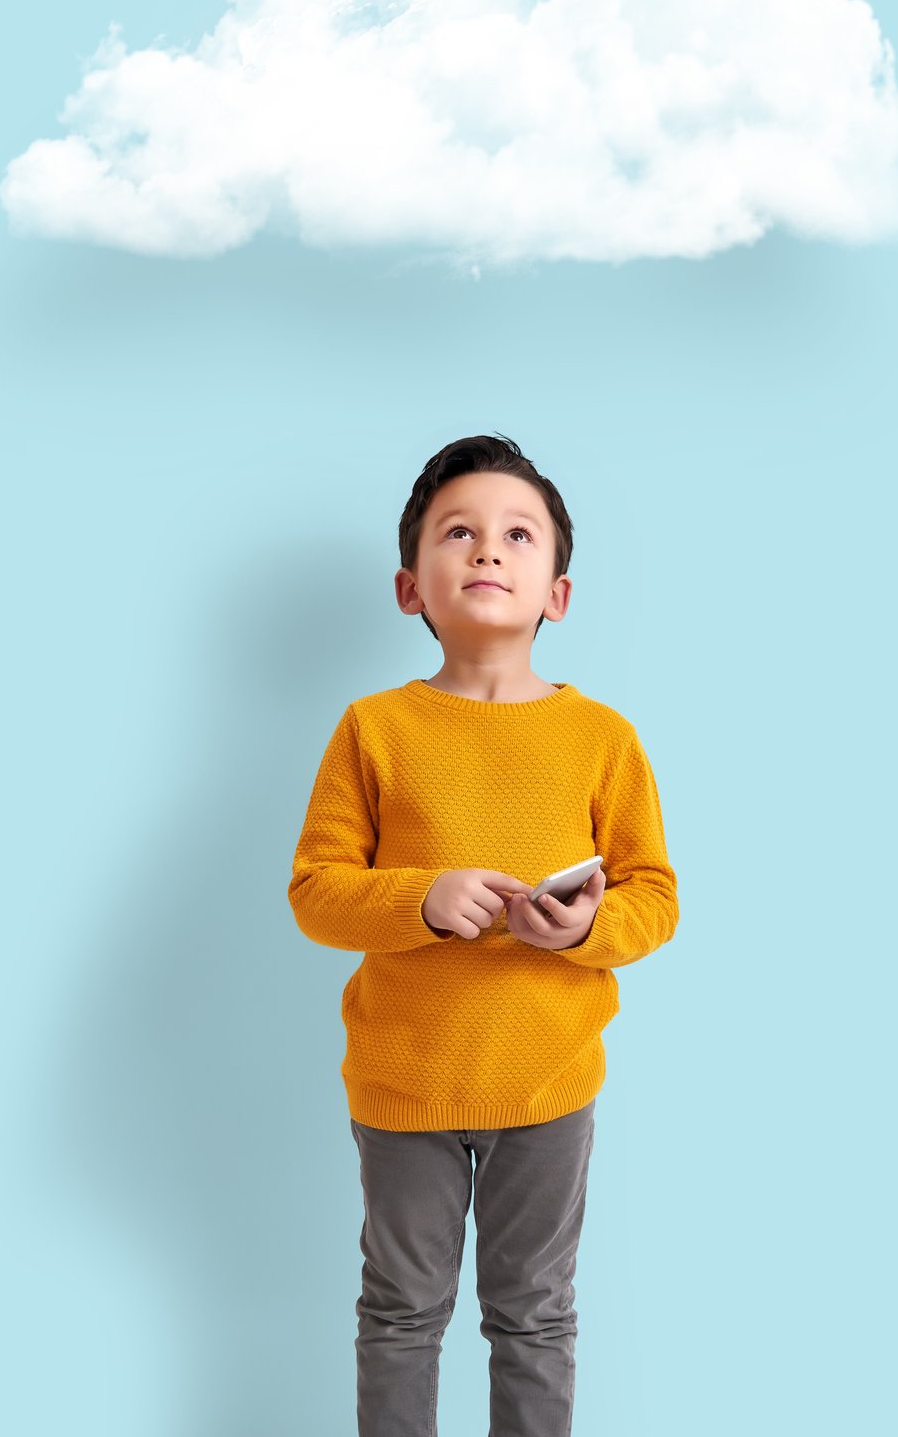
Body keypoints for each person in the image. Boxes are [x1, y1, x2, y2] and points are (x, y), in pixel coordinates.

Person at [288, 431, 680, 1437]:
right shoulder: (372, 730)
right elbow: (316, 892)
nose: (486, 551)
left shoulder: (603, 739)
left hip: (548, 1082)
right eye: (456, 532)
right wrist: (420, 899)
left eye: (517, 535)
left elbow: (654, 896)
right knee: (400, 1314)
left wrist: (586, 930)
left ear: (557, 592)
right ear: (409, 586)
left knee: (535, 1316)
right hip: (404, 1082)